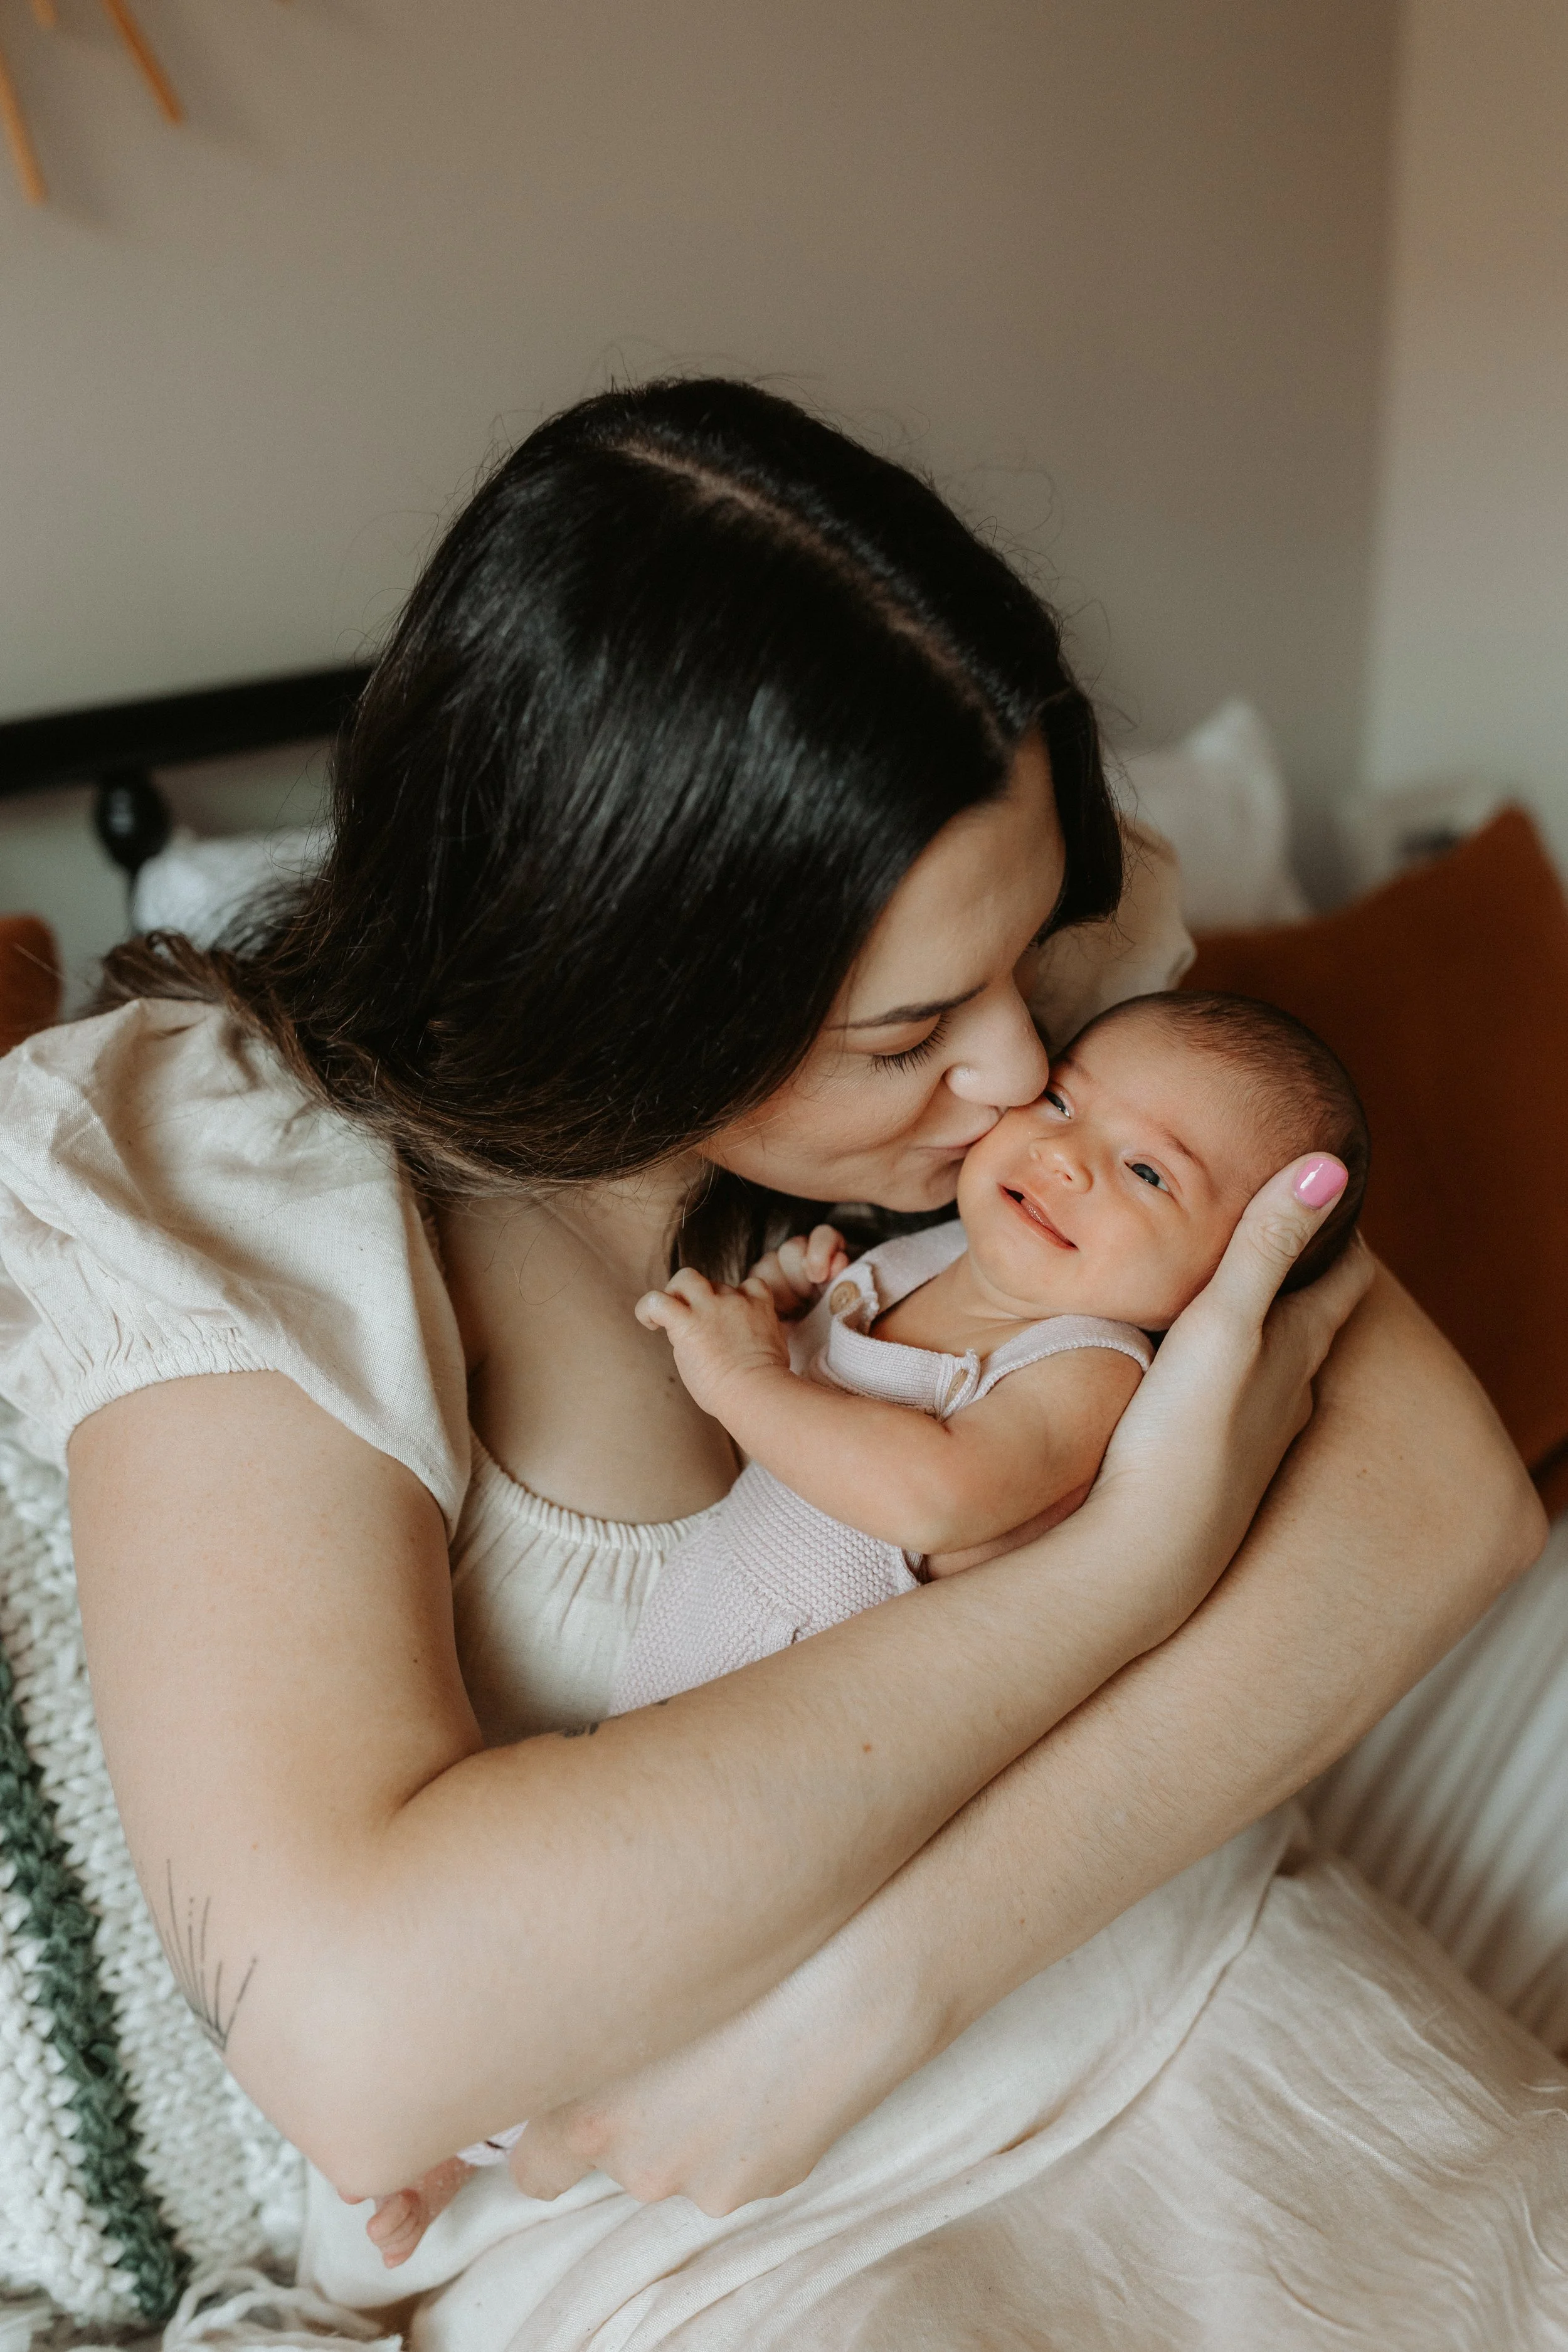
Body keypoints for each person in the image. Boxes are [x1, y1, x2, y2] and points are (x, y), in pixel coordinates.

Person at [0, 379, 1555, 2348]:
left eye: (1027, 979)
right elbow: (360, 2028)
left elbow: (1441, 1493)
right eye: (909, 1036)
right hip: (719, 2231)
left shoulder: (1017, 991)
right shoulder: (249, 1168)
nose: (1014, 1077)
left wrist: (876, 1991)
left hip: (1172, 1964)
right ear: (636, 972)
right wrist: (1120, 1568)